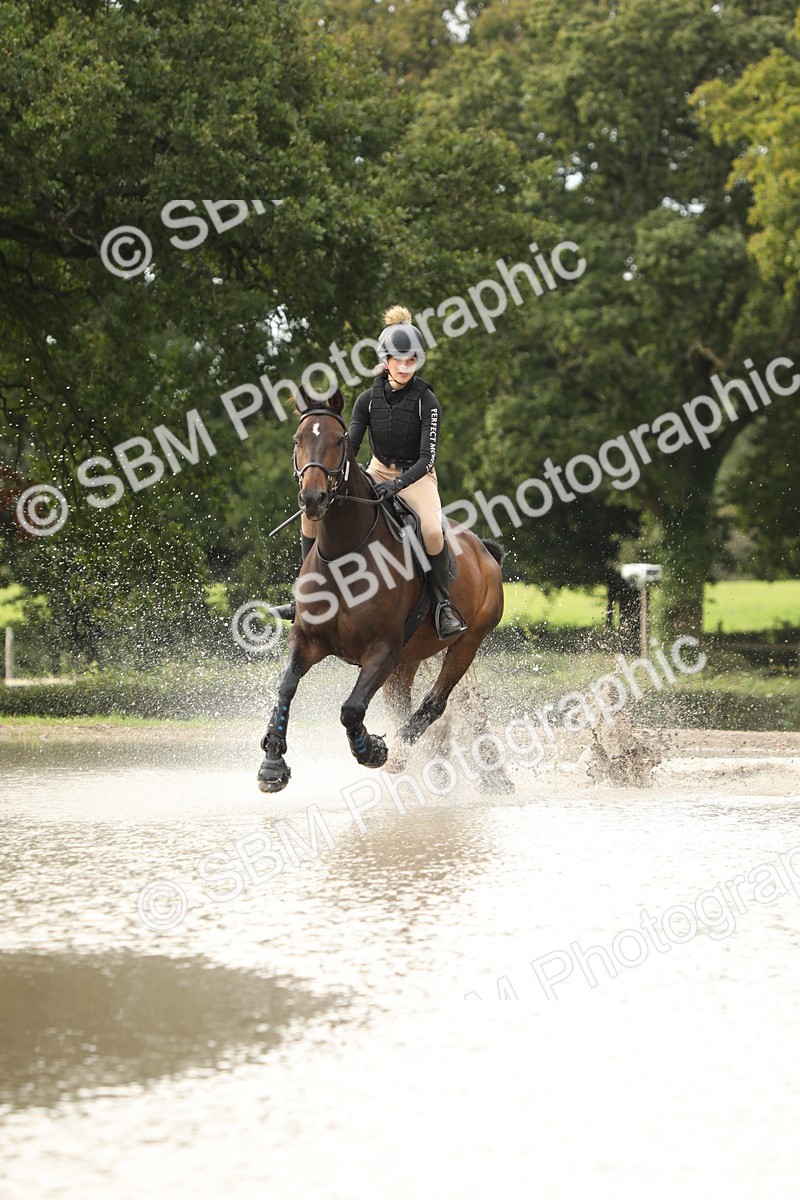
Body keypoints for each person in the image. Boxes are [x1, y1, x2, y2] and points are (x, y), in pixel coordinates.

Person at [275, 306, 467, 639]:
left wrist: (399, 484)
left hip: (417, 477)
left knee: (432, 530)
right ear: (385, 361)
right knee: (310, 517)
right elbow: (350, 445)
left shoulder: (427, 401)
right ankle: (305, 595)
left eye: (411, 360)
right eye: (398, 360)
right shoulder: (366, 400)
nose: (405, 367)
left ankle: (442, 605)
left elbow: (427, 457)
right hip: (376, 470)